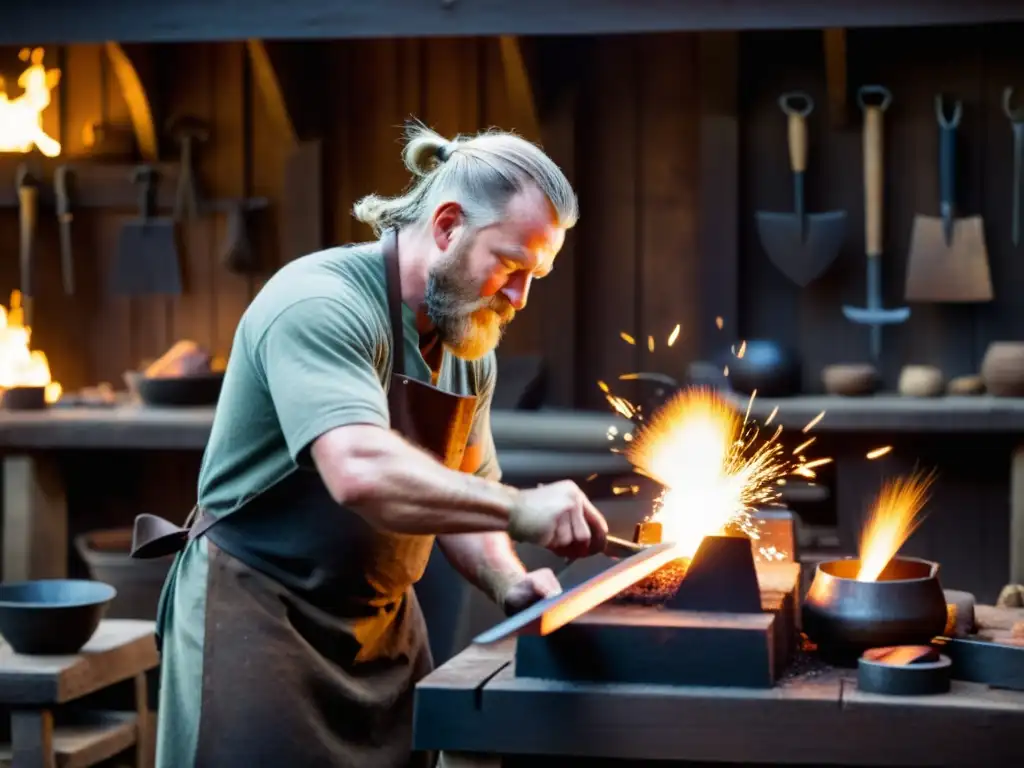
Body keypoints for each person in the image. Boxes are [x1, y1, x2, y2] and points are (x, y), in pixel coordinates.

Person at [130, 120, 610, 767]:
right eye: (511, 266)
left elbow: (466, 500)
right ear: (447, 227)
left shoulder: (469, 345)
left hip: (381, 639)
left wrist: (508, 581)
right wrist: (522, 508)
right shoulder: (320, 303)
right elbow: (358, 468)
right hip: (260, 616)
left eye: (537, 275)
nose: (521, 298)